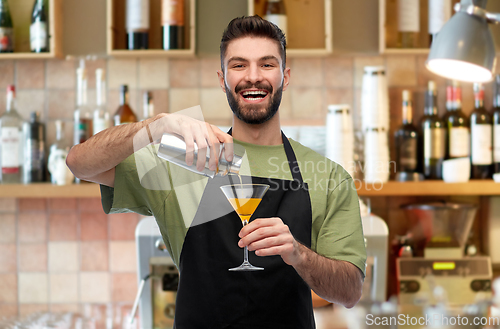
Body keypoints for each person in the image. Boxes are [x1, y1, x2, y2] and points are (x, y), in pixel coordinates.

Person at [67, 15, 366, 329]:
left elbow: (350, 292)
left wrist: (299, 254)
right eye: (238, 65)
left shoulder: (327, 176)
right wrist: (156, 126)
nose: (253, 77)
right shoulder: (182, 162)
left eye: (267, 64)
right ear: (222, 78)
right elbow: (78, 162)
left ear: (285, 77)